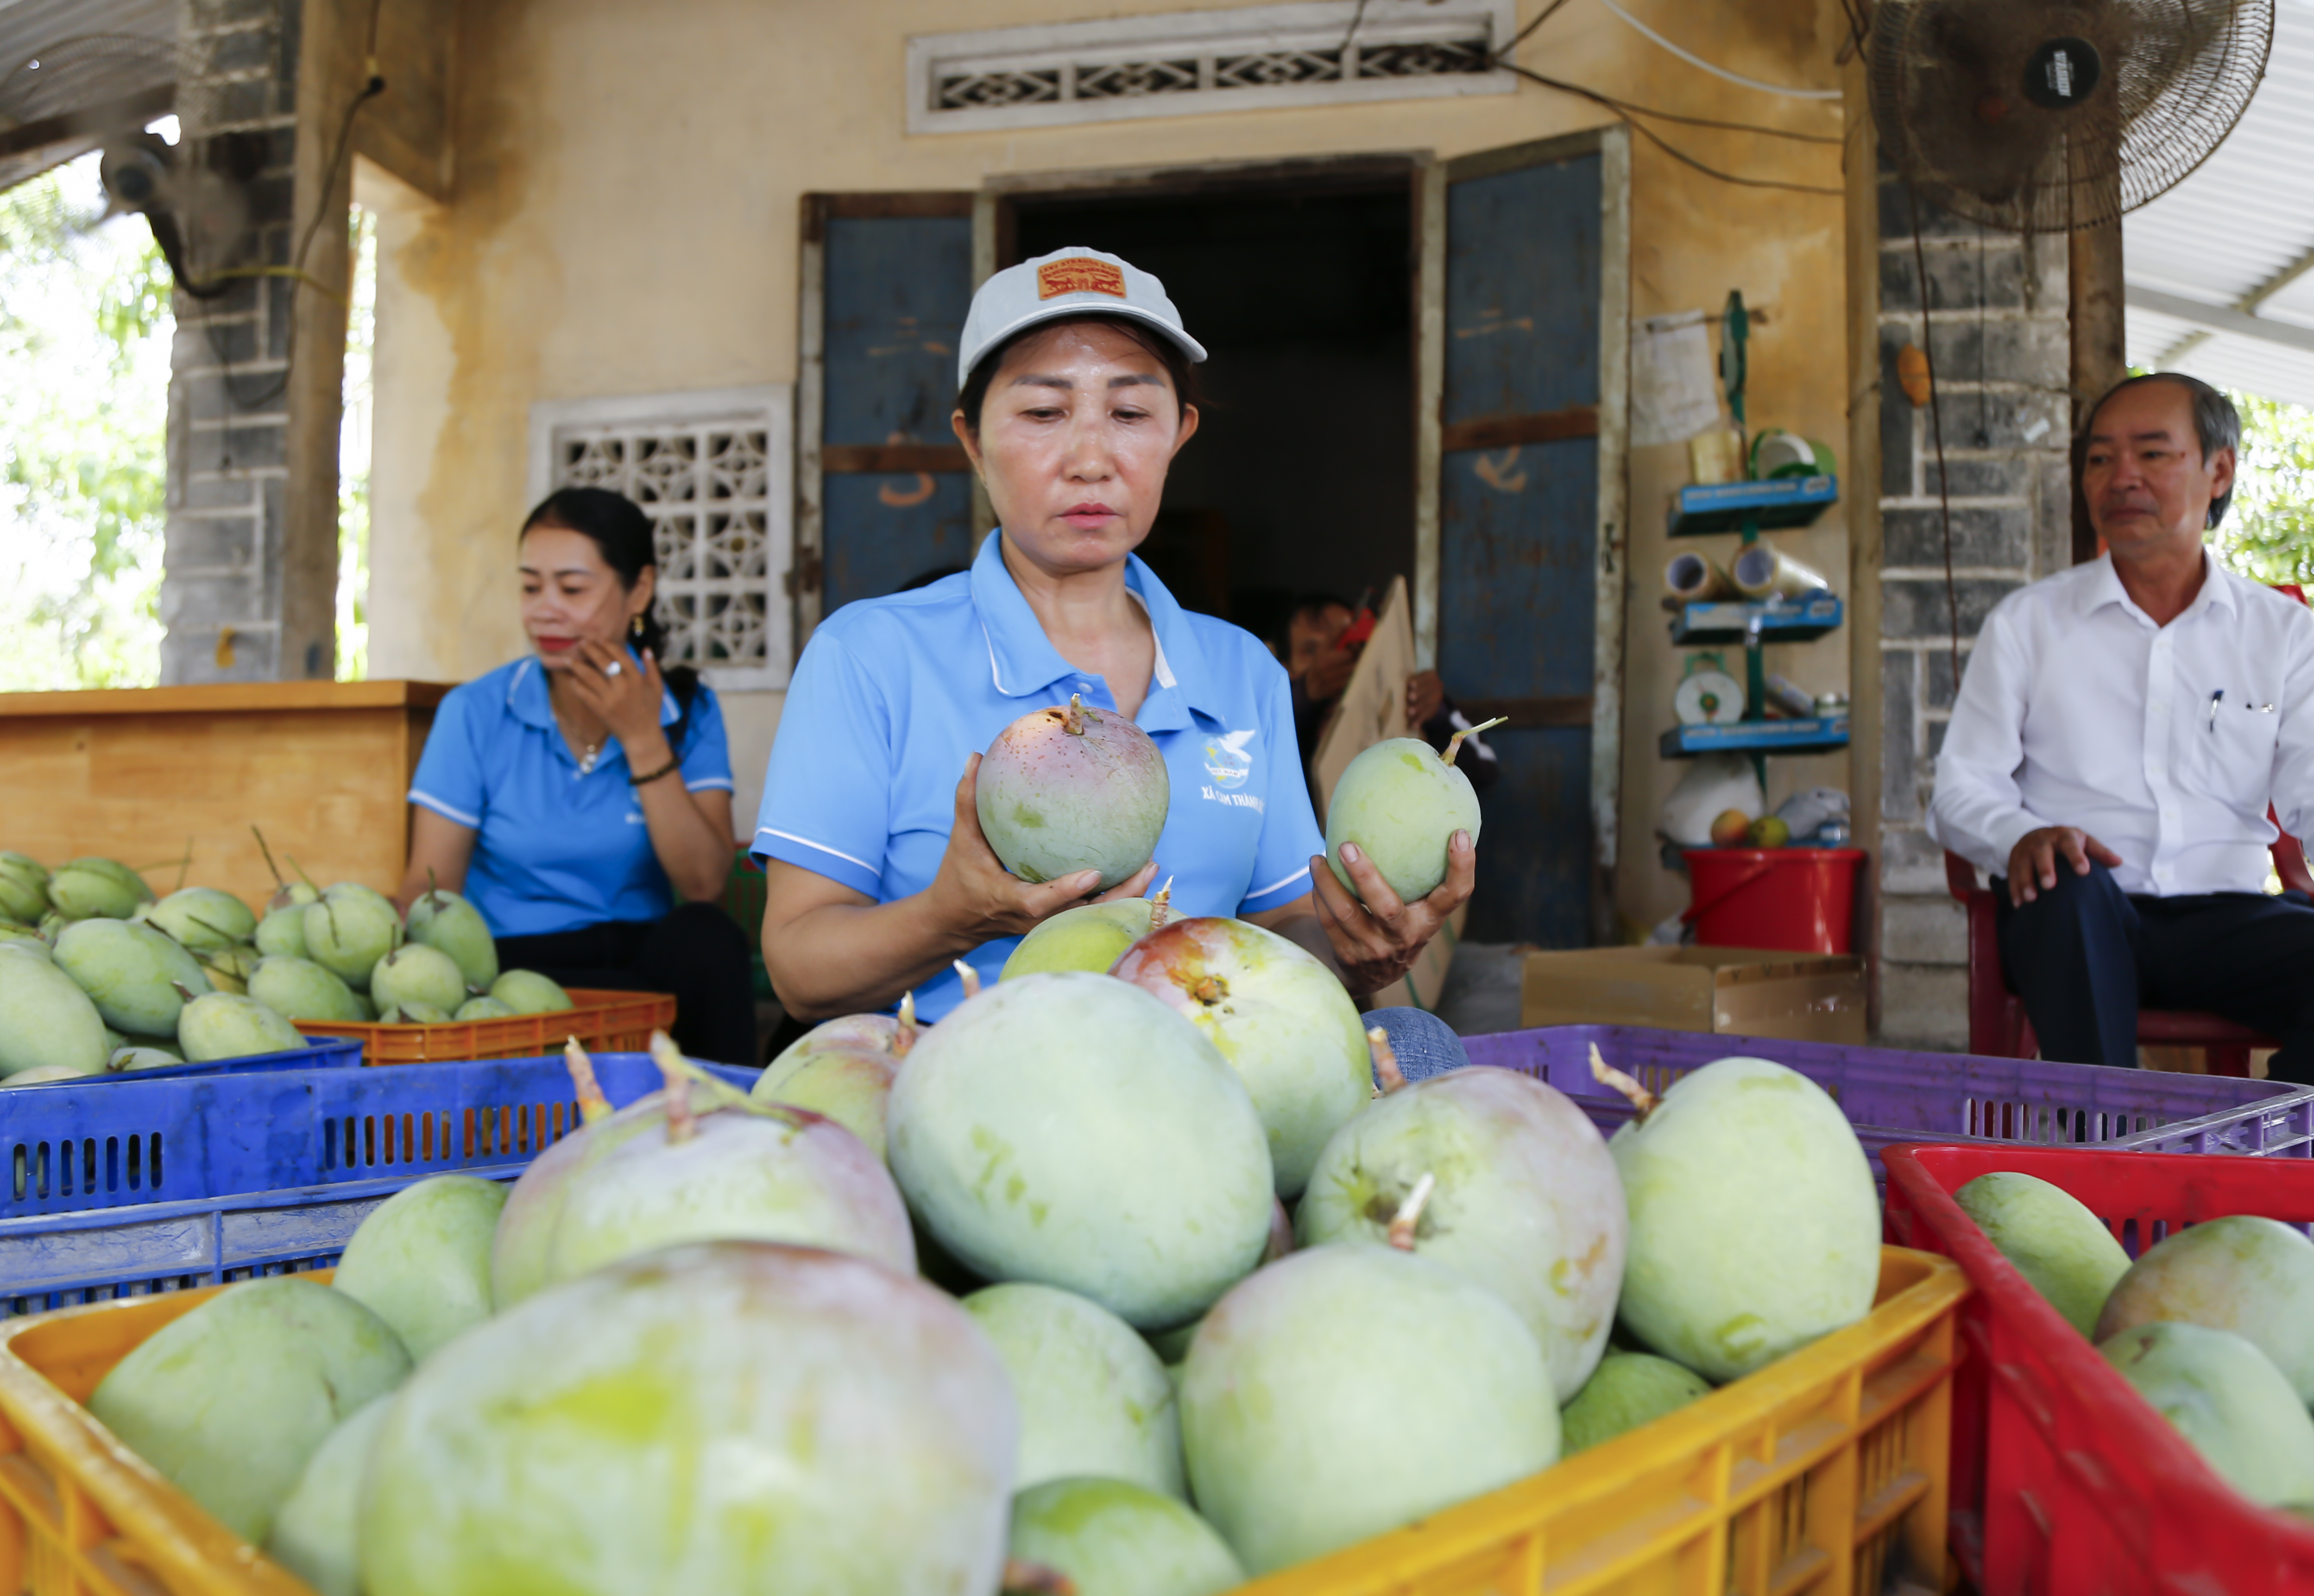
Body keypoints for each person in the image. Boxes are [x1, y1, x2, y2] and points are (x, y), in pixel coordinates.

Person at [753, 245, 1471, 1023]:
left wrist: (1366, 954)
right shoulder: (868, 657)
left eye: (1130, 414)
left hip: (1201, 1079)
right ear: (972, 442)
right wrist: (951, 915)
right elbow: (798, 967)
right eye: (1042, 413)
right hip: (963, 1095)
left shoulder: (1241, 672)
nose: (1091, 459)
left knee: (1414, 1036)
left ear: (1179, 435)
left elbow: (1283, 926)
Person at [1929, 372, 2314, 1080]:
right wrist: (2020, 836)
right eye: (2100, 458)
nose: (2119, 477)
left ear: (2217, 470)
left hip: (2227, 918)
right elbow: (1959, 789)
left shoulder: (2284, 634)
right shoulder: (2028, 623)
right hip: (2076, 916)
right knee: (2066, 885)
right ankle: (2098, 1156)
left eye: (2150, 454)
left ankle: (2278, 1158)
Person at [397, 487, 757, 1065]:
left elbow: (704, 883)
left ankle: (735, 1129)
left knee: (708, 936)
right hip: (509, 964)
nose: (544, 609)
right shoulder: (476, 711)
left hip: (639, 963)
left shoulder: (687, 710)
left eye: (571, 588)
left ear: (638, 589)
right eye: (531, 586)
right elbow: (430, 882)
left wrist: (642, 736)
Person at [1285, 594, 1500, 790]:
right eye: (1311, 651)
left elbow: (1485, 769)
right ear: (1285, 669)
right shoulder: (1277, 729)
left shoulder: (1409, 700)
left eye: (1348, 641)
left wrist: (1438, 715)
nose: (1333, 657)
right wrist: (1302, 699)